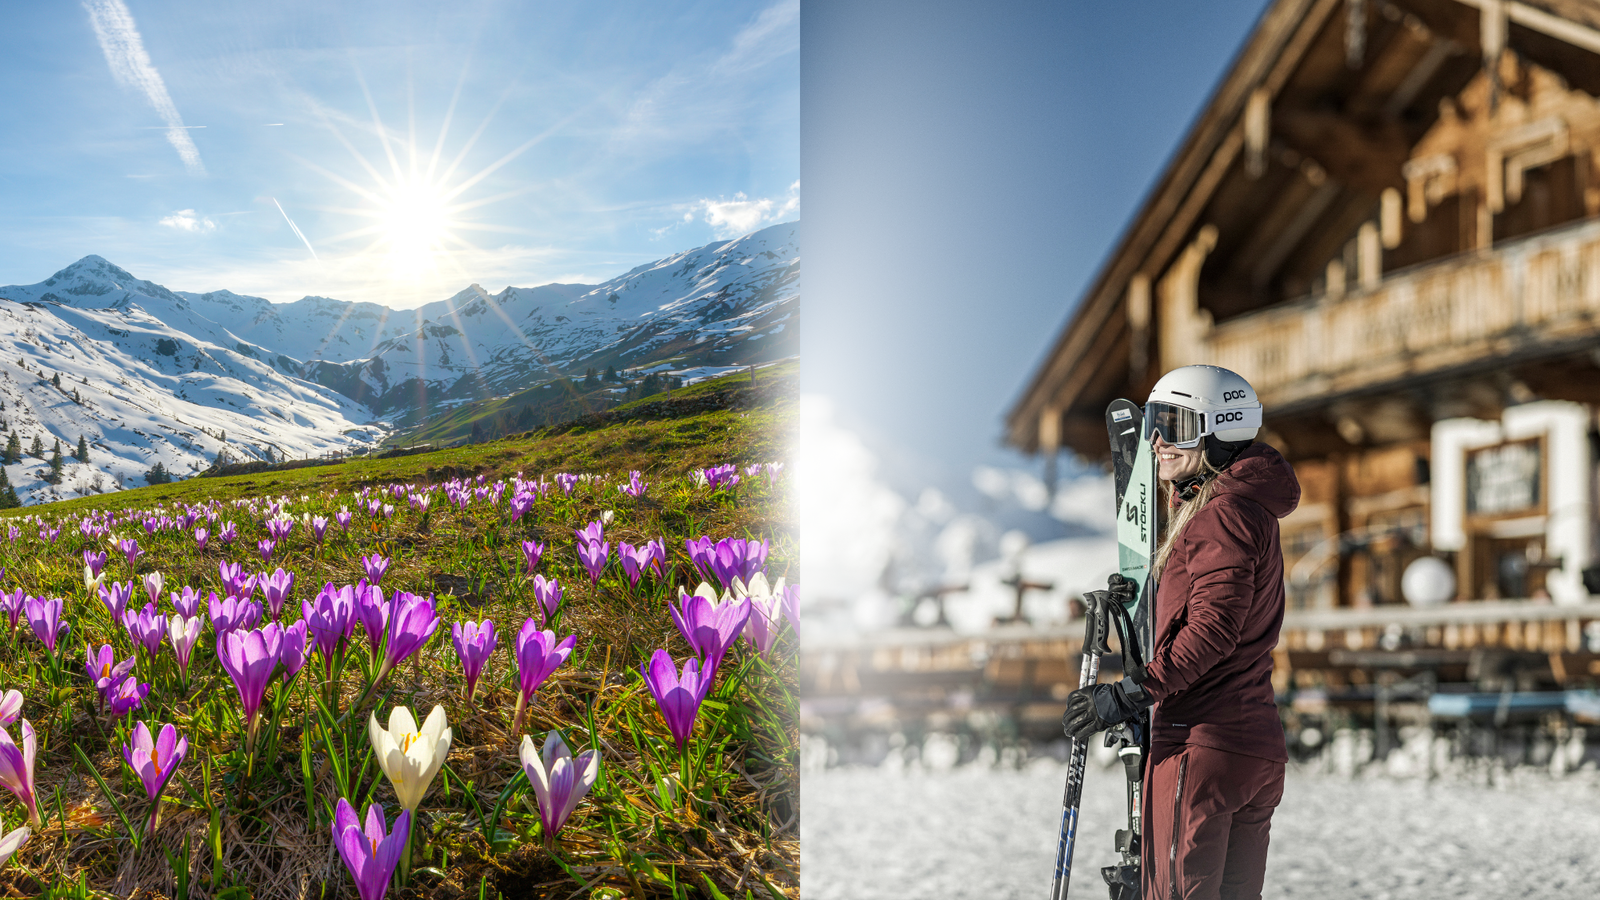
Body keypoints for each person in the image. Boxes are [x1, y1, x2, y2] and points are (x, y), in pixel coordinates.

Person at [1062, 364, 1300, 900]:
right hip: (1253, 749)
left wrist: (1130, 693)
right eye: (1154, 422)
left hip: (1200, 746)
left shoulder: (1220, 514)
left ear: (1224, 428)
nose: (1158, 440)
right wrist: (1138, 609)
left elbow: (1214, 628)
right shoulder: (1249, 511)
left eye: (1176, 424)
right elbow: (1215, 619)